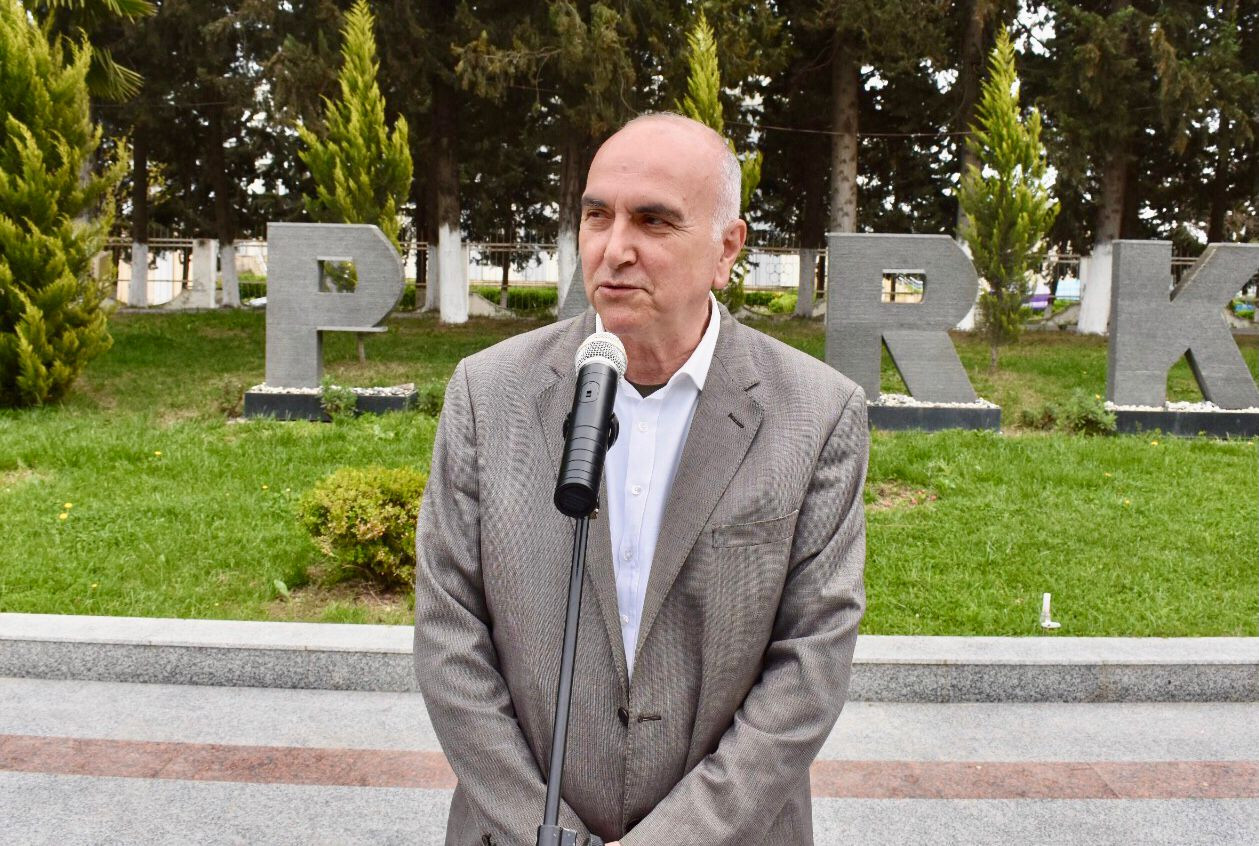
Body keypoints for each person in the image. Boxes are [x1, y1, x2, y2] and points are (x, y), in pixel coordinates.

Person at [414, 112, 868, 846]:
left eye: (653, 221)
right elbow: (449, 635)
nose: (613, 249)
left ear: (727, 248)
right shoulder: (486, 393)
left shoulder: (817, 413)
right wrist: (542, 830)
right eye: (597, 215)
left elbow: (810, 662)